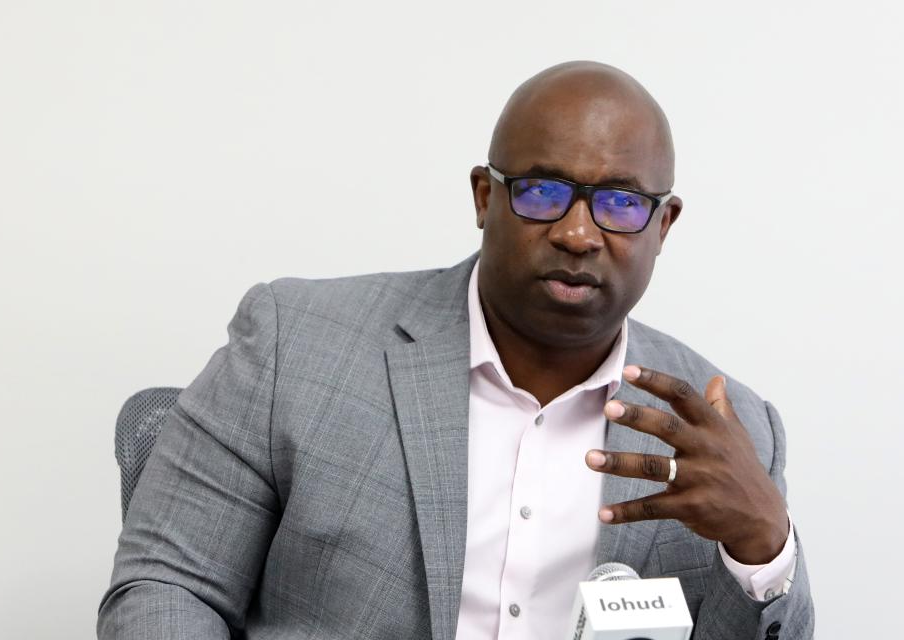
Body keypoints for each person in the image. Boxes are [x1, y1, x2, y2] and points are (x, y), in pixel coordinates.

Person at [98, 61, 814, 639]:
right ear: (484, 196)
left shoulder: (728, 429)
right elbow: (166, 586)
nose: (577, 233)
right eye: (542, 191)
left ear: (664, 225)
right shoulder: (295, 343)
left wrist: (764, 545)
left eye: (621, 204)